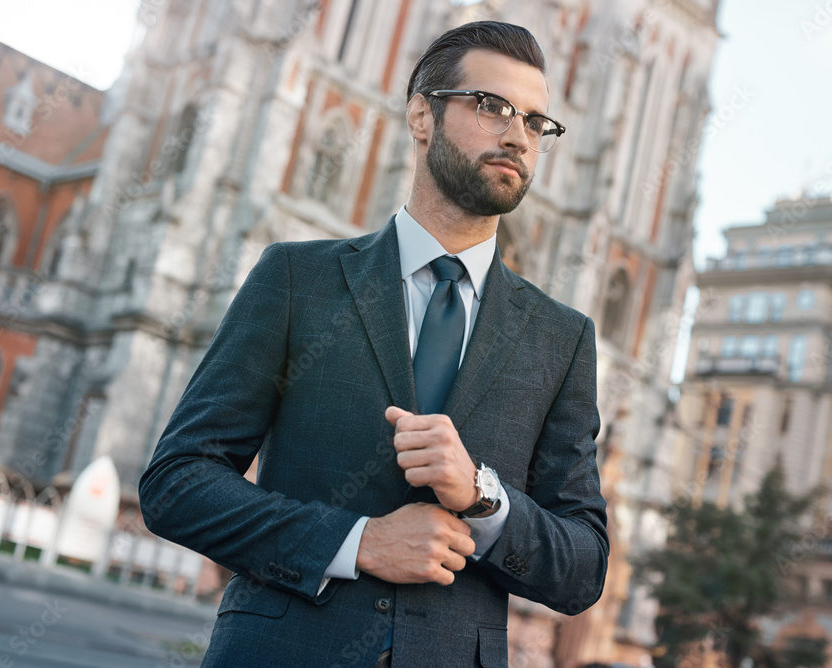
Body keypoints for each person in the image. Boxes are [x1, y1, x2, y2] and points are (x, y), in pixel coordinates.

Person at [139, 20, 608, 668]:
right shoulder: (297, 278)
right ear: (422, 116)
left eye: (535, 121)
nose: (516, 135)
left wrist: (482, 495)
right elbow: (175, 485)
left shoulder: (562, 339)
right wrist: (355, 542)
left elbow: (584, 568)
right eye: (490, 106)